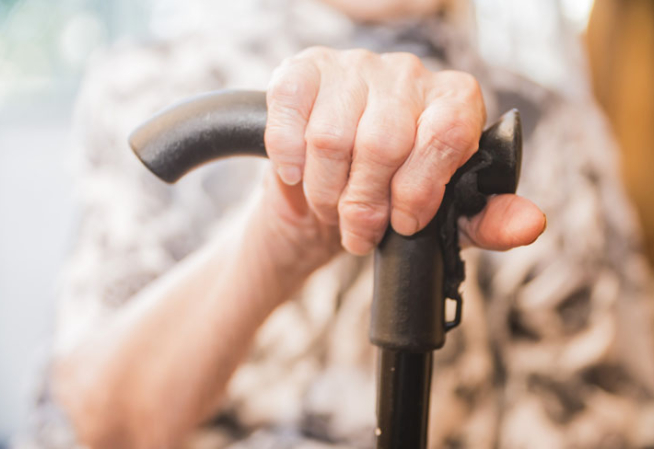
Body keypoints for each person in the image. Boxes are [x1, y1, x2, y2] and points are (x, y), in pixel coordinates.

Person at [20, 0, 654, 448]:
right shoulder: (147, 86)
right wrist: (274, 241)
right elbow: (85, 432)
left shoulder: (557, 135)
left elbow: (608, 425)